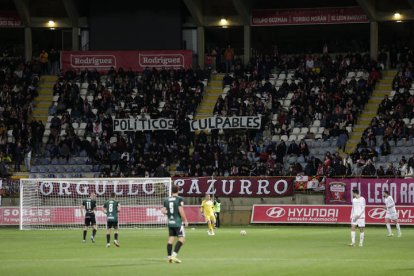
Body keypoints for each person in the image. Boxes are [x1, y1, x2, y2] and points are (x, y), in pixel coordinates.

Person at [162, 185, 188, 264]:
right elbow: (181, 211)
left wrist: (169, 213)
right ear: (178, 190)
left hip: (170, 222)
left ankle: (169, 257)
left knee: (171, 239)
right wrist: (185, 220)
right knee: (182, 239)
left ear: (172, 191)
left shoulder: (166, 199)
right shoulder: (179, 199)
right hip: (177, 222)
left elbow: (163, 211)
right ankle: (174, 256)